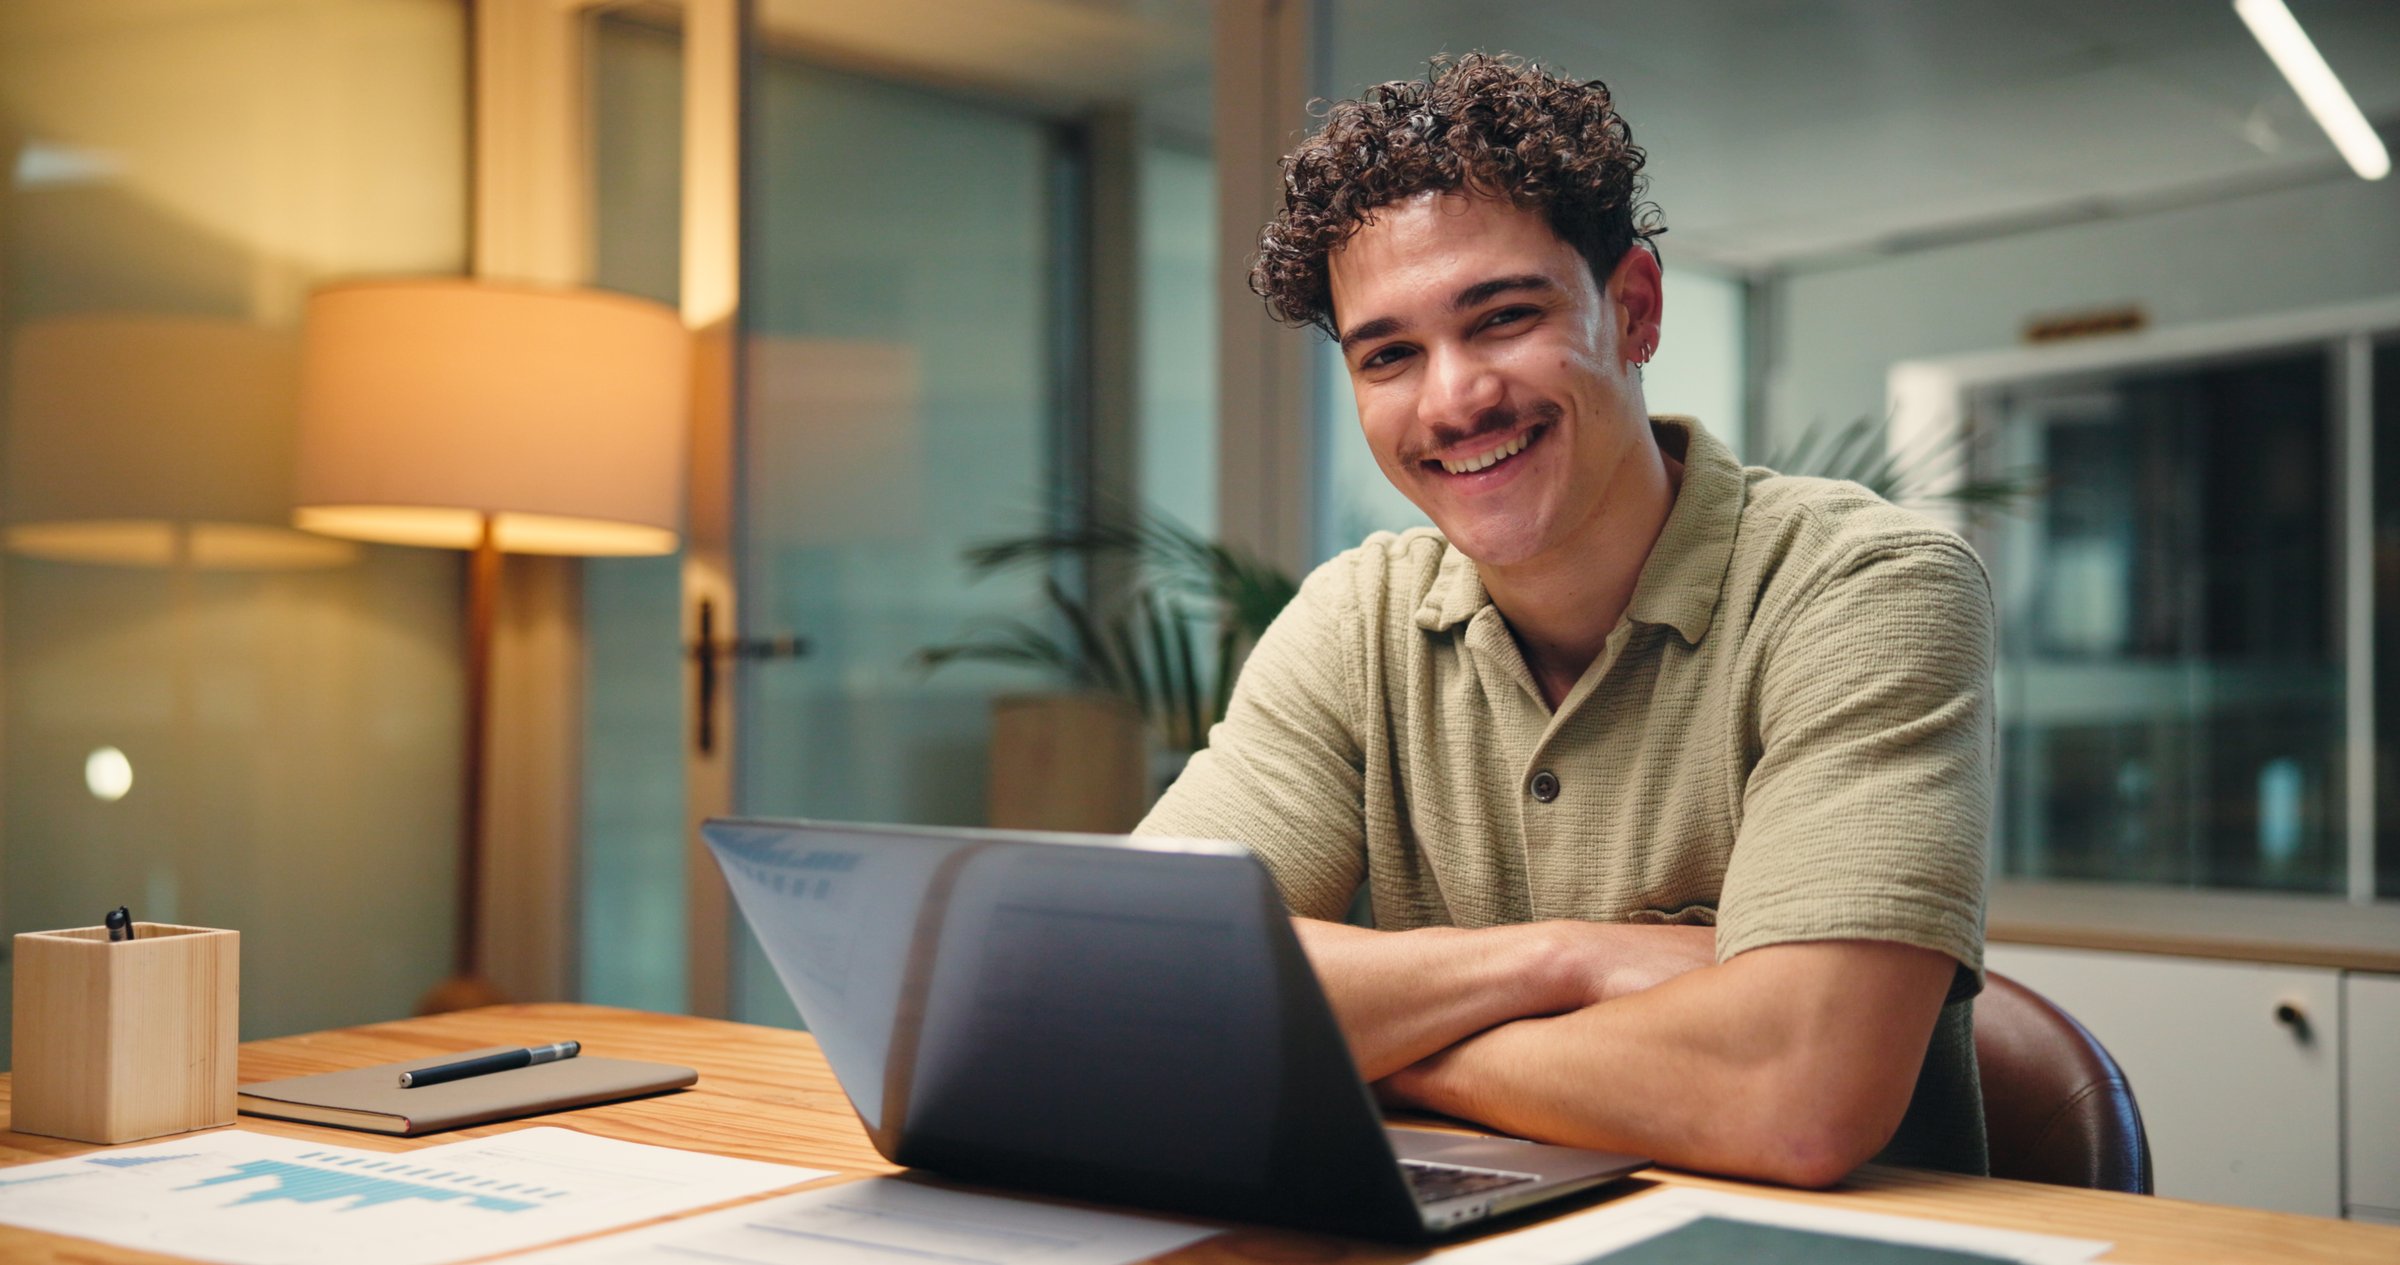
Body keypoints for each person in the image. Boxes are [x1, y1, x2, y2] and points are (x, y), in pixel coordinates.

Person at [1135, 52, 1996, 1187]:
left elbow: (1797, 1096)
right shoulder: (1353, 618)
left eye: (1500, 318)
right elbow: (1147, 983)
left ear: (1631, 308)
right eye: (1388, 353)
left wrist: (1382, 1053)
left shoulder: (1863, 587)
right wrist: (1568, 961)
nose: (1451, 400)